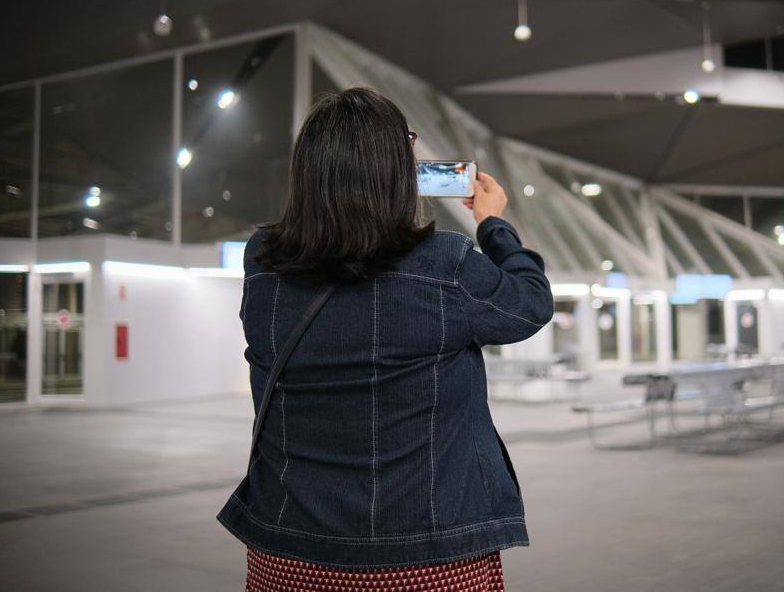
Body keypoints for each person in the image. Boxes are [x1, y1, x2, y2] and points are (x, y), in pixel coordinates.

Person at [217, 87, 553, 591]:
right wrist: (493, 224)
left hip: (288, 549)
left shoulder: (262, 261)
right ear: (398, 172)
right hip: (427, 555)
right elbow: (530, 302)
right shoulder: (446, 265)